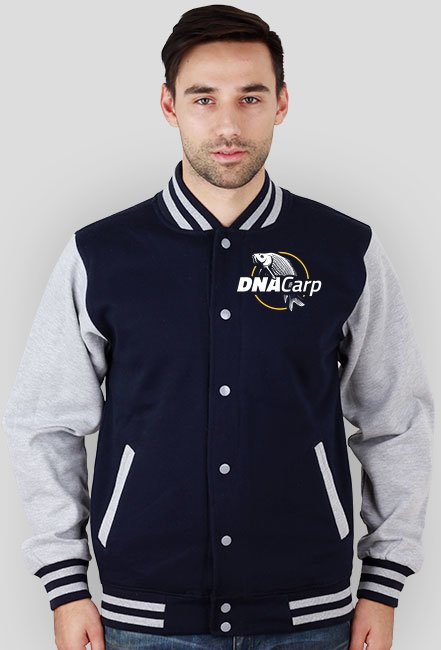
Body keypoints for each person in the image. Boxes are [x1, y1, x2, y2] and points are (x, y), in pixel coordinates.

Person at [2, 4, 434, 650]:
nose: (228, 125)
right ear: (169, 105)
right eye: (203, 99)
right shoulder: (102, 256)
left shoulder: (345, 251)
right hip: (144, 617)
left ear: (281, 103)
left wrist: (383, 582)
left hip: (309, 616)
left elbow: (396, 419)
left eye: (250, 98)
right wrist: (65, 585)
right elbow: (44, 424)